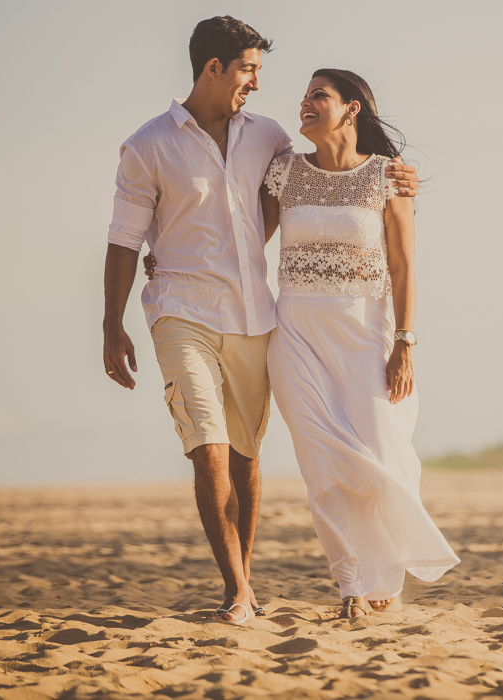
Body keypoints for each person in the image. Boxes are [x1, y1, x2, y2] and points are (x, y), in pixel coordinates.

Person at [101, 16, 420, 625]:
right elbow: (122, 238)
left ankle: (316, 572)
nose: (259, 83)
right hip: (182, 308)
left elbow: (314, 191)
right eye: (249, 69)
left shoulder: (268, 138)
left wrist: (393, 172)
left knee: (251, 456)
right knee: (212, 447)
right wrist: (112, 323)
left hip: (258, 314)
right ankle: (242, 590)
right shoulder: (148, 145)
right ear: (214, 68)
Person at [260, 69, 459, 618]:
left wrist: (405, 341)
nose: (304, 104)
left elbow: (402, 265)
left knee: (381, 452)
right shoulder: (283, 173)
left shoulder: (388, 178)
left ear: (351, 109)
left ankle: (385, 571)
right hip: (296, 331)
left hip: (366, 332)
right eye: (303, 96)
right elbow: (243, 238)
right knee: (321, 461)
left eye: (317, 96)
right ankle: (350, 584)